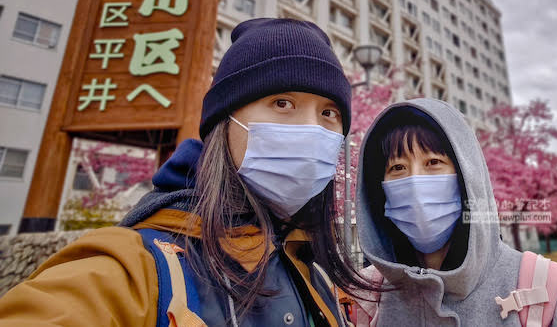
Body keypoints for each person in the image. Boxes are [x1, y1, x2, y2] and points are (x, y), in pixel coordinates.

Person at [0, 18, 370, 326]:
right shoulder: (136, 268)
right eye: (282, 103)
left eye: (328, 113)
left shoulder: (313, 274)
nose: (311, 129)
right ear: (223, 125)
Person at [353, 98, 557, 326]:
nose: (415, 181)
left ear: (468, 178)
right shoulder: (369, 293)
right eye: (398, 167)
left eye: (433, 162)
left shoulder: (536, 285)